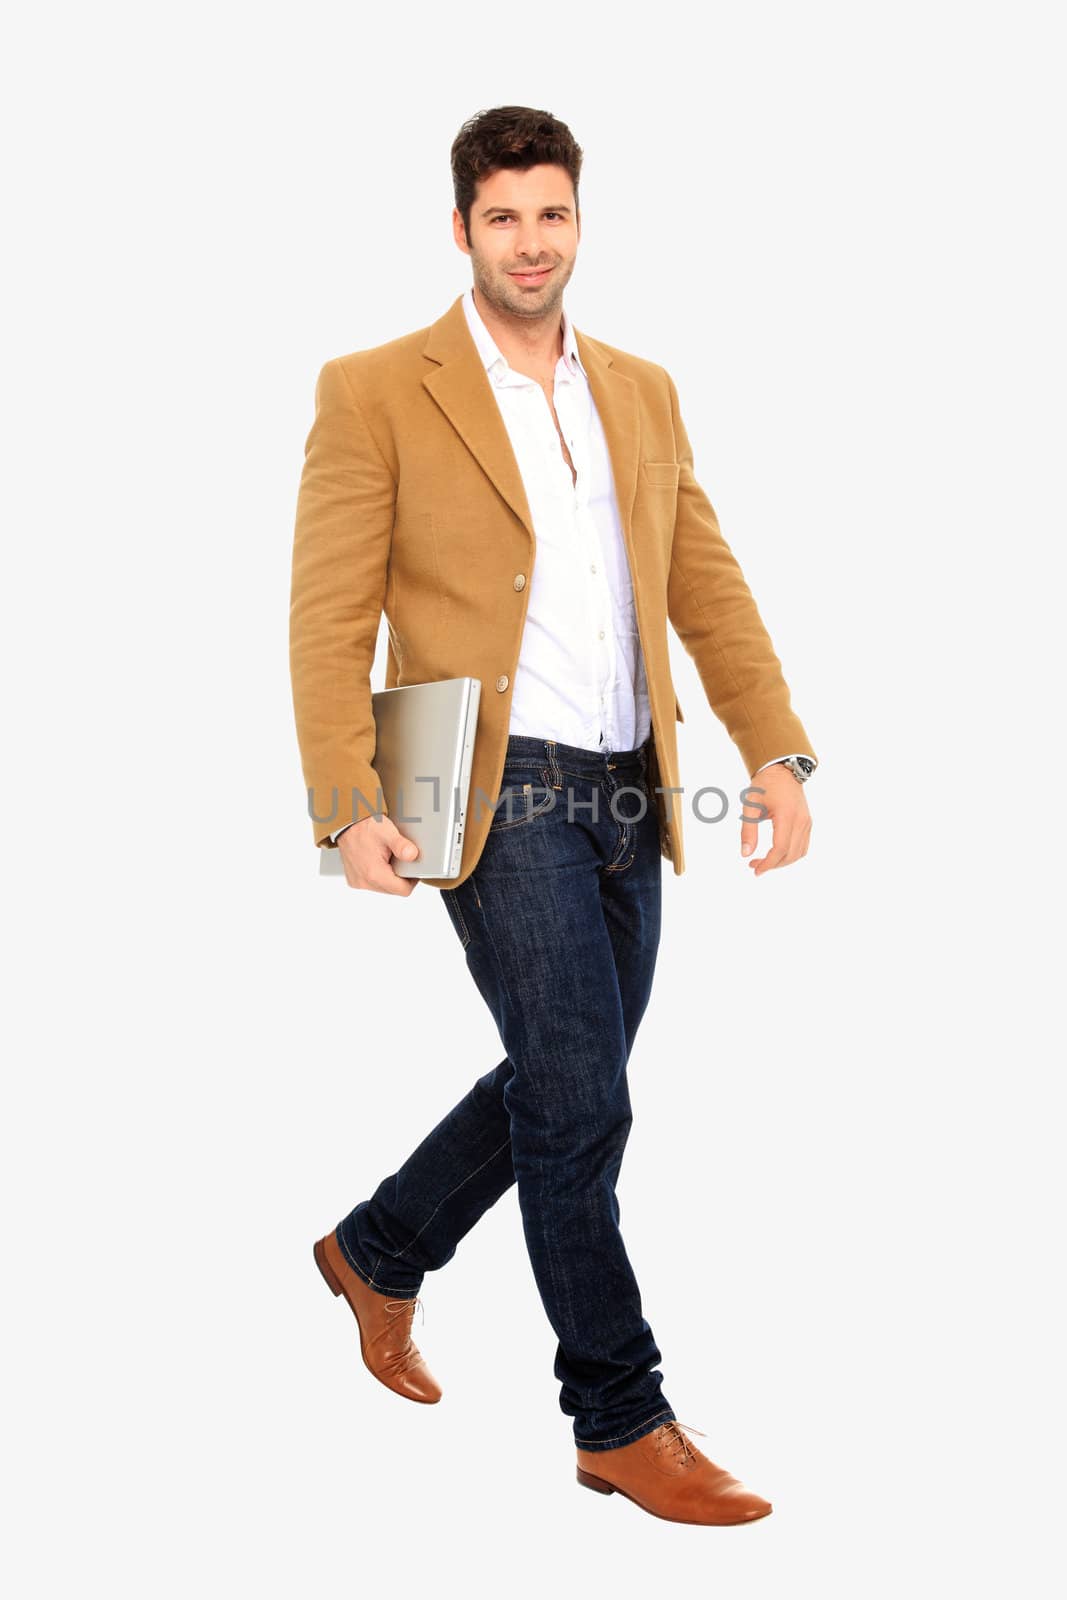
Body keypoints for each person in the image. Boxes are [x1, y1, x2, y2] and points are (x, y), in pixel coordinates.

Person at [289, 105, 818, 1527]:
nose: (533, 242)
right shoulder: (376, 388)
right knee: (584, 1095)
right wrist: (348, 805)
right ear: (460, 228)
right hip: (482, 775)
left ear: (582, 223)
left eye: (555, 215)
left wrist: (774, 750)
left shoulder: (639, 389)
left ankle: (382, 1245)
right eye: (505, 217)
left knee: (557, 1076)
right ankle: (620, 1414)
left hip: (631, 783)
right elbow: (328, 614)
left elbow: (703, 578)